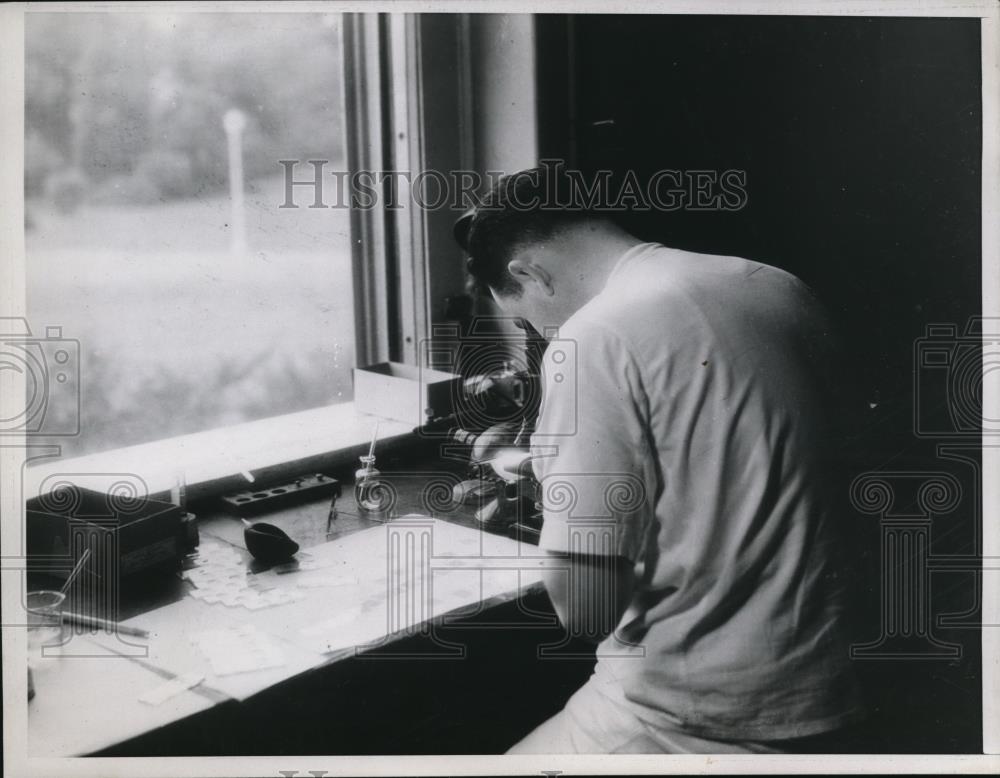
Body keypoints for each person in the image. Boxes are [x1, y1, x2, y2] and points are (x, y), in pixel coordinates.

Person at [458, 165, 865, 754]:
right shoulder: (775, 284)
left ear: (530, 273)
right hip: (833, 681)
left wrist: (559, 489)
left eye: (526, 319)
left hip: (695, 714)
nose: (540, 335)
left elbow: (587, 608)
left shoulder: (590, 337)